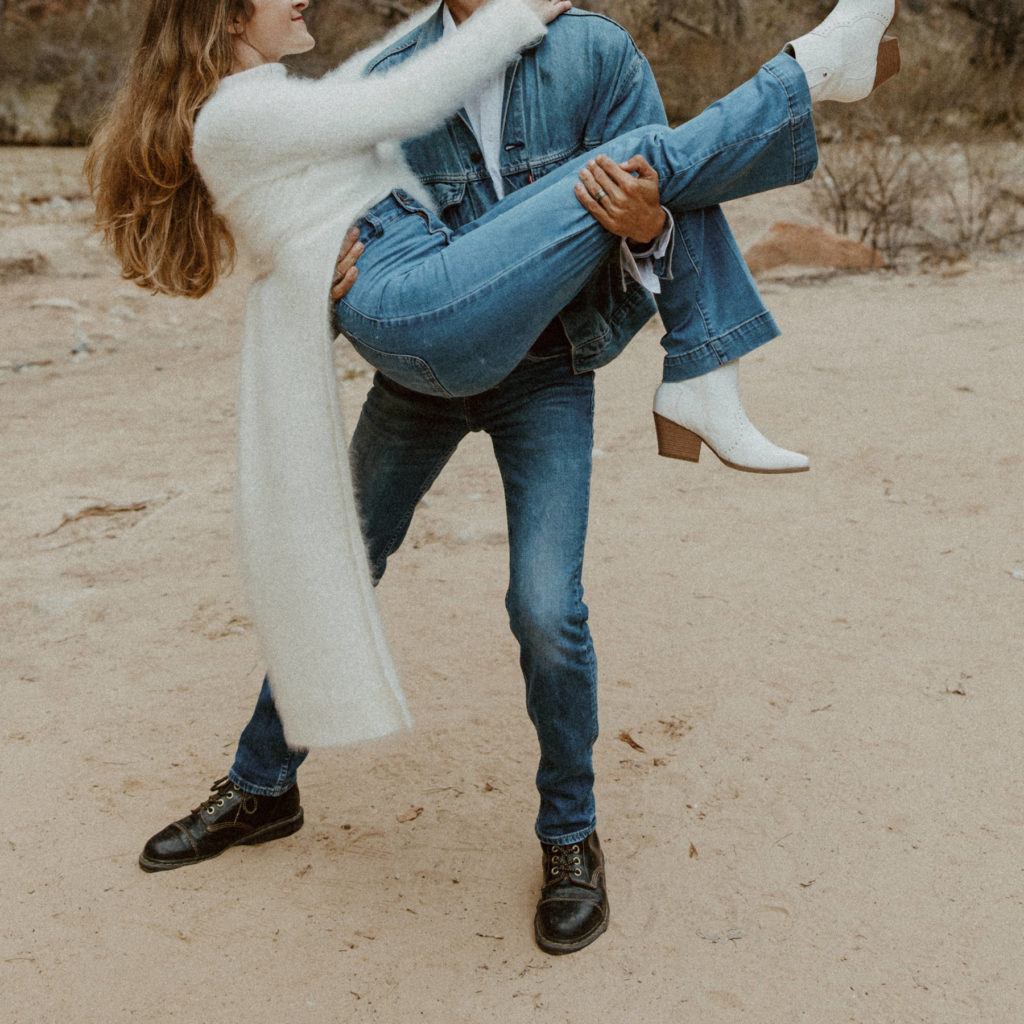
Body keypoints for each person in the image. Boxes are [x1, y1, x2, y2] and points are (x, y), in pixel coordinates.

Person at [86, 0, 899, 953]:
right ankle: (261, 786)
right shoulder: (391, 67)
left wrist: (646, 228)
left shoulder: (594, 50)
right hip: (419, 372)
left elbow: (672, 204)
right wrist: (318, 268)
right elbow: (315, 204)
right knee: (336, 564)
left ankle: (569, 838)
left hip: (544, 369)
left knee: (547, 609)